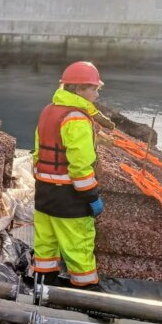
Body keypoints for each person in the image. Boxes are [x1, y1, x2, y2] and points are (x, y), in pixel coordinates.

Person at [31, 61, 104, 289]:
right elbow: (80, 165)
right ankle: (85, 293)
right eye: (94, 88)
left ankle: (41, 289)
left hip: (44, 192)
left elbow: (37, 153)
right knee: (78, 246)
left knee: (45, 245)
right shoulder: (77, 119)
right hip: (69, 196)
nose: (97, 94)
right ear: (79, 89)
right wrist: (92, 196)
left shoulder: (48, 111)